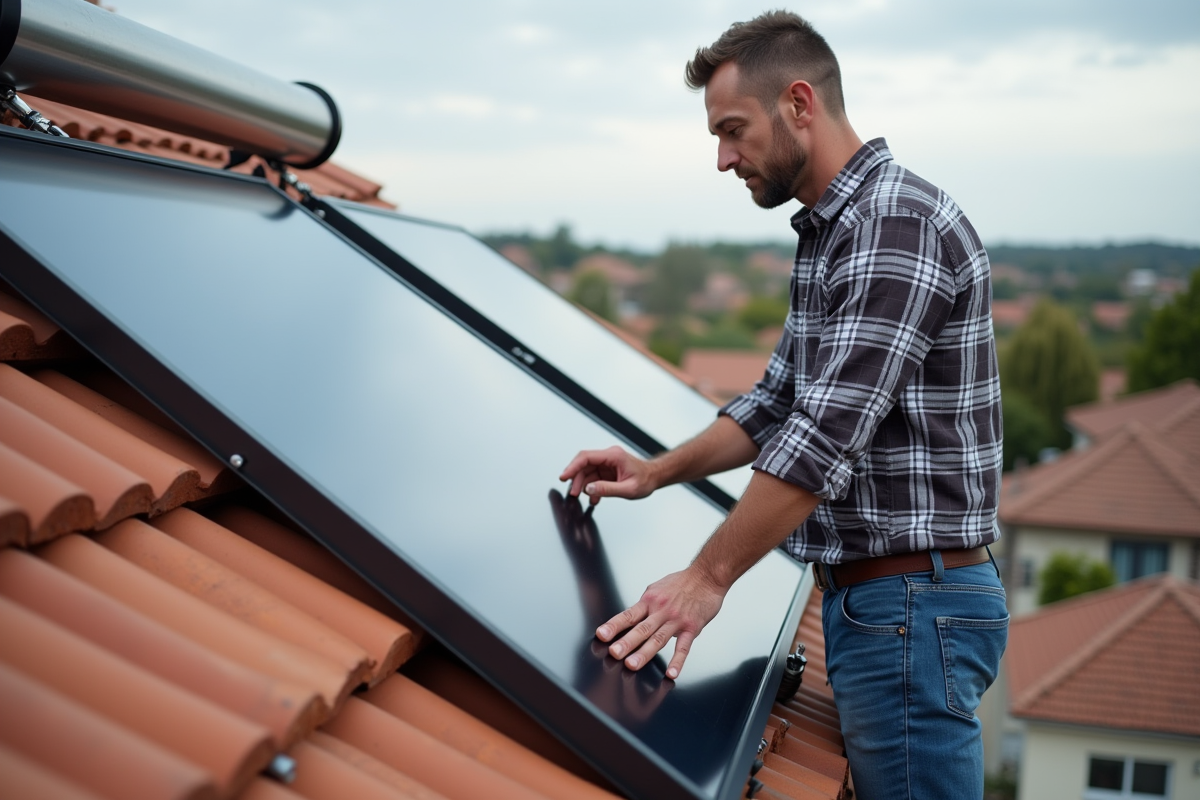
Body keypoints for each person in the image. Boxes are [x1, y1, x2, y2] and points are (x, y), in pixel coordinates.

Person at [559, 10, 1007, 800]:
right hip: (892, 607)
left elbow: (824, 438)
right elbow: (777, 405)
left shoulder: (891, 226)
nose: (724, 158)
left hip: (911, 609)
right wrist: (656, 472)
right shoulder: (838, 231)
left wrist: (706, 576)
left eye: (733, 130)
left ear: (800, 103)